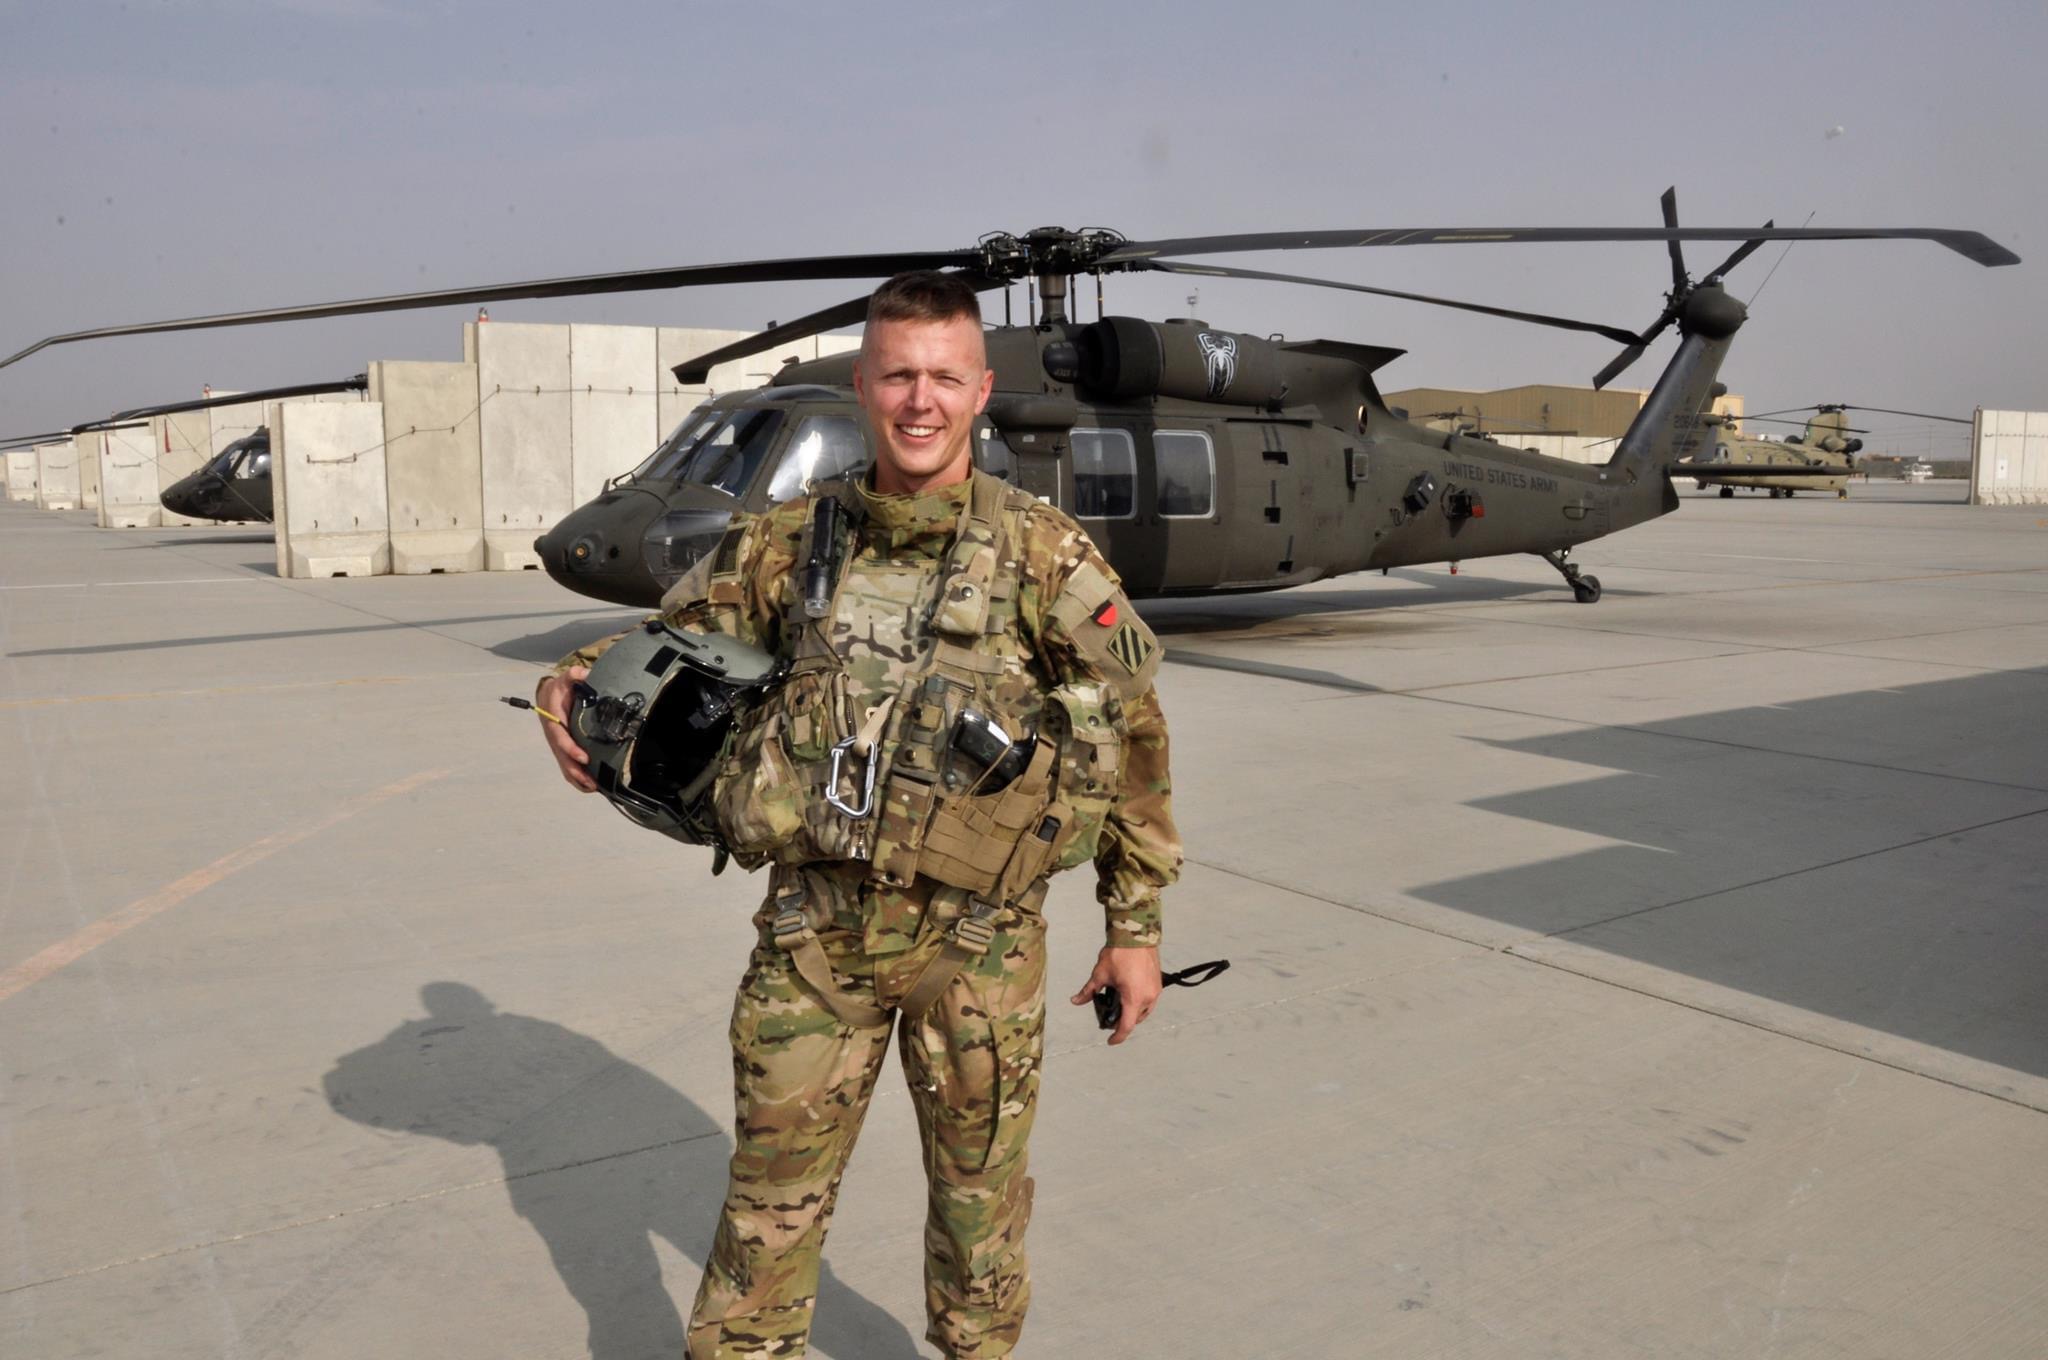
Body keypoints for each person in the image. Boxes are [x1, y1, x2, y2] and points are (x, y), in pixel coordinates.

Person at [535, 271, 1182, 1359]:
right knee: (763, 1224)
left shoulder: (1042, 553)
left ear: (978, 392)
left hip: (980, 954)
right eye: (895, 376)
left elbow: (1136, 735)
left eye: (941, 377)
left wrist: (1135, 928)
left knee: (980, 1232)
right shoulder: (793, 542)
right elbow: (668, 638)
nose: (917, 401)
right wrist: (574, 680)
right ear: (863, 388)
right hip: (814, 945)